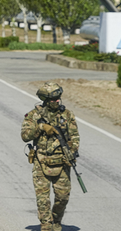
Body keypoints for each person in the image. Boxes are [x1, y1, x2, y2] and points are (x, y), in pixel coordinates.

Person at [21, 82, 80, 231]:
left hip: (62, 162)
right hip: (41, 161)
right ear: (46, 100)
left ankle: (56, 220)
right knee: (43, 200)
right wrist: (41, 127)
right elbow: (25, 136)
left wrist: (71, 153)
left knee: (63, 198)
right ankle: (46, 226)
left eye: (58, 98)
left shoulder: (67, 115)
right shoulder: (34, 115)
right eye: (53, 99)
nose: (57, 101)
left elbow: (75, 137)